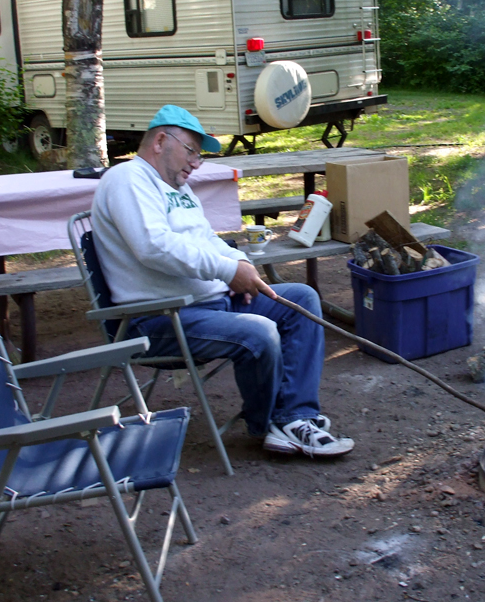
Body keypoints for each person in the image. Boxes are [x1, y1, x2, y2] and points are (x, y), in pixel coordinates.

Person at [91, 104, 354, 458]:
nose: (196, 163)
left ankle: (295, 417)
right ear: (159, 141)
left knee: (303, 300)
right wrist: (226, 272)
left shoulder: (176, 188)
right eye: (192, 151)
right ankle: (271, 423)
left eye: (199, 155)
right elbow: (153, 247)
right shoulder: (127, 179)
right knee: (260, 332)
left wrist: (239, 262)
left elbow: (207, 240)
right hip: (159, 318)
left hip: (209, 303)